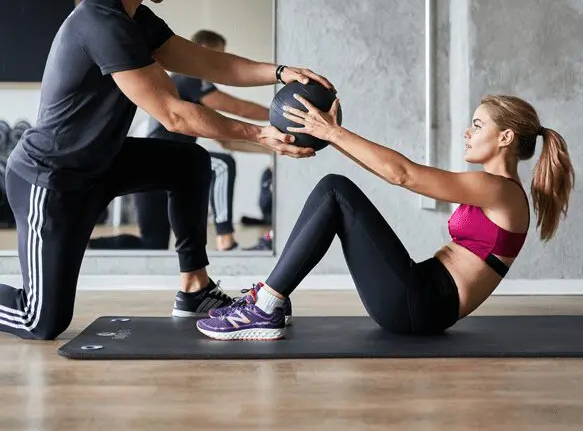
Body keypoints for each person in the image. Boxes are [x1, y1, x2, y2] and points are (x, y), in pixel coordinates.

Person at [0, 0, 333, 340]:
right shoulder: (102, 23)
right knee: (42, 321)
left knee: (189, 162)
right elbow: (173, 114)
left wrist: (281, 71)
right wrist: (260, 135)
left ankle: (194, 288)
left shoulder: (137, 20)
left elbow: (211, 63)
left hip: (101, 163)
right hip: (52, 177)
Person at [196, 94, 575, 341]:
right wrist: (332, 138)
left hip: (420, 305)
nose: (467, 132)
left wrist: (335, 132)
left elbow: (403, 174)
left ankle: (265, 306)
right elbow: (393, 174)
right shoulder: (495, 188)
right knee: (336, 191)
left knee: (334, 191)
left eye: (477, 125)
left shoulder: (499, 191)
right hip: (421, 296)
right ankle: (270, 298)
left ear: (505, 138)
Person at [88, 29, 272, 253]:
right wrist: (279, 115)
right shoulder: (190, 79)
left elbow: (228, 142)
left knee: (152, 245)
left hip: (160, 167)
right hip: (157, 161)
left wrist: (271, 149)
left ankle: (87, 244)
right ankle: (226, 240)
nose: (219, 61)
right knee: (222, 165)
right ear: (202, 51)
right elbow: (236, 108)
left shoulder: (195, 92)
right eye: (218, 54)